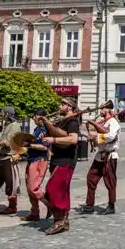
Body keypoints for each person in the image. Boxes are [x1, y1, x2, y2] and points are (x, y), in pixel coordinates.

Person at [39, 100, 81, 234]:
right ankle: (64, 220)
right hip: (58, 158)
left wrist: (54, 140)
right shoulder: (63, 121)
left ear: (69, 107)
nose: (59, 106)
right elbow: (54, 132)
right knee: (62, 190)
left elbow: (73, 139)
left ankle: (59, 220)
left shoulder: (72, 122)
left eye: (62, 104)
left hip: (66, 160)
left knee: (53, 188)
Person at [80, 104, 121, 215]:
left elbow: (111, 136)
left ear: (108, 109)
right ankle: (89, 205)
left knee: (110, 181)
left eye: (102, 108)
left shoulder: (113, 122)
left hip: (109, 155)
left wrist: (96, 137)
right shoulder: (104, 121)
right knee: (91, 178)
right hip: (100, 156)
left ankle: (111, 205)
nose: (100, 110)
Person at [23, 109, 52, 222]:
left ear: (41, 117)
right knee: (29, 188)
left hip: (39, 159)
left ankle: (50, 205)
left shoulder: (45, 129)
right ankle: (35, 212)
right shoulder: (37, 129)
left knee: (33, 187)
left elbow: (45, 147)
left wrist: (29, 145)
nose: (34, 119)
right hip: (31, 158)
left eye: (35, 116)